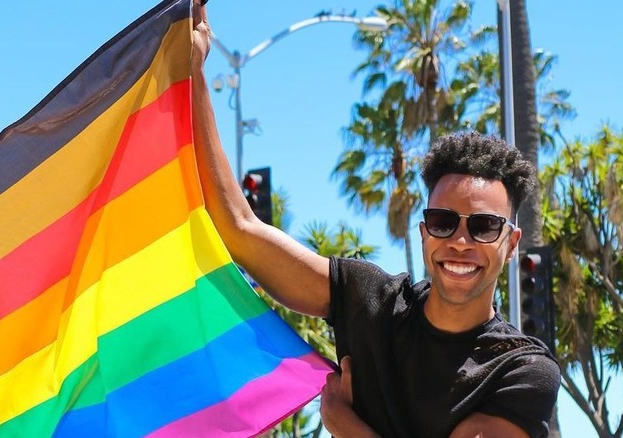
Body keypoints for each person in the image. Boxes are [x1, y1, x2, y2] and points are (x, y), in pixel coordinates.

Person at [191, 3, 560, 437]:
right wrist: (193, 68)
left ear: (511, 243)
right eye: (444, 221)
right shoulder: (370, 302)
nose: (460, 240)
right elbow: (239, 228)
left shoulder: (522, 369)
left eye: (482, 227)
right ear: (424, 233)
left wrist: (346, 427)